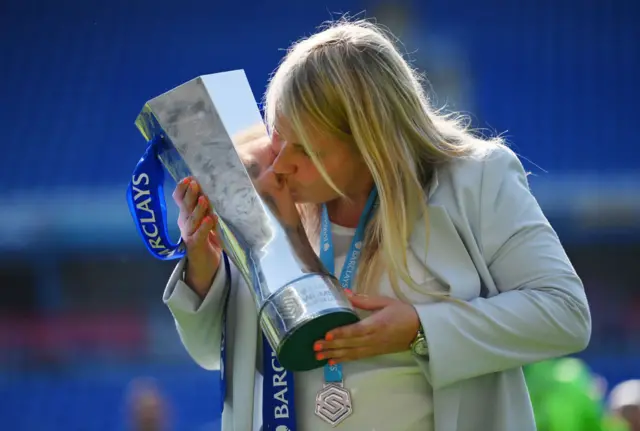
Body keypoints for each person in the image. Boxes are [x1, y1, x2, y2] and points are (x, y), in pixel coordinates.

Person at [161, 19, 591, 431]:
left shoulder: (476, 179)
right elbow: (212, 354)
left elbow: (565, 313)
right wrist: (205, 261)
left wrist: (422, 330)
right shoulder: (270, 201)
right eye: (279, 136)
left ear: (373, 144)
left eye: (307, 151)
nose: (280, 163)